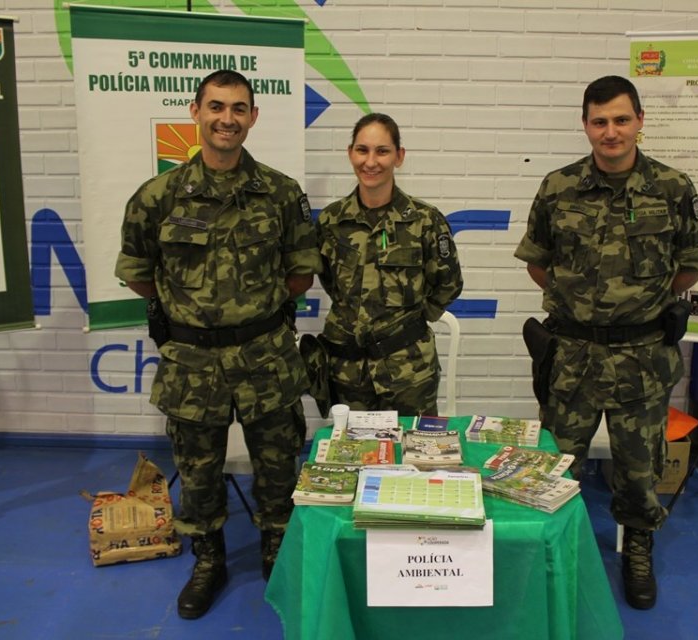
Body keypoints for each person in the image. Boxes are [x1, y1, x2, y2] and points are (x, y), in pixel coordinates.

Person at [114, 70, 321, 620]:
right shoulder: (157, 196)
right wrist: (194, 314)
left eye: (238, 108)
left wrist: (252, 310)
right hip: (192, 361)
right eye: (216, 107)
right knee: (199, 471)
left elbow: (301, 269)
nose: (226, 118)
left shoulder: (281, 194)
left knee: (278, 466)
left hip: (265, 355)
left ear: (253, 117)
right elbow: (138, 272)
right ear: (196, 112)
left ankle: (279, 551)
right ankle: (209, 561)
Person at [514, 75, 698, 610]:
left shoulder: (673, 188)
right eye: (599, 121)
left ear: (640, 122)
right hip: (572, 358)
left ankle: (637, 550)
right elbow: (538, 260)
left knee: (638, 470)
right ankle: (554, 553)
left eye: (621, 119)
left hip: (642, 358)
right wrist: (581, 302)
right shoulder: (558, 187)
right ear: (585, 126)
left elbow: (690, 266)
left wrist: (637, 305)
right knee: (555, 469)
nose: (611, 131)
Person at [314, 113, 463, 416]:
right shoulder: (331, 221)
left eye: (382, 151)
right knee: (354, 457)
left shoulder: (424, 220)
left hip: (409, 373)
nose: (371, 162)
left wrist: (410, 325)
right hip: (349, 372)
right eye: (362, 150)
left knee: (414, 457)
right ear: (350, 153)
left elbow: (448, 283)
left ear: (399, 156)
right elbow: (331, 282)